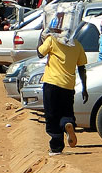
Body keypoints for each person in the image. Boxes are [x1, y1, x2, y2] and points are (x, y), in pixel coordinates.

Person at [37, 19, 87, 156]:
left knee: (52, 115)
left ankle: (56, 147)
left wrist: (42, 36)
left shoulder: (52, 41)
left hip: (51, 84)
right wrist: (84, 87)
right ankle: (68, 124)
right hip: (68, 86)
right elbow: (82, 68)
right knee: (66, 112)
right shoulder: (77, 45)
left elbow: (39, 53)